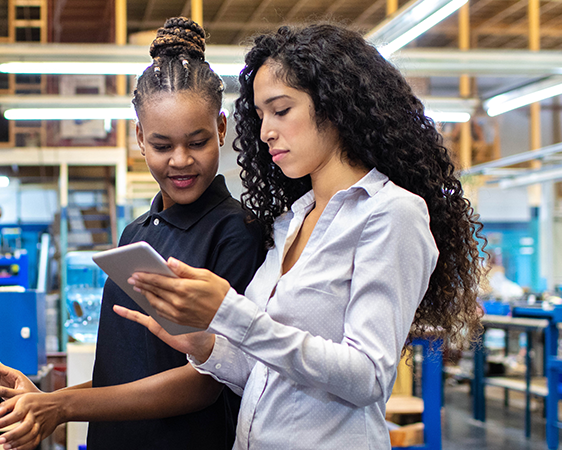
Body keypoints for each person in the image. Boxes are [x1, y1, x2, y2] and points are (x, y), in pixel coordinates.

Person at [116, 24, 486, 449]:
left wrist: (232, 312)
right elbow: (265, 374)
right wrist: (204, 345)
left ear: (333, 105)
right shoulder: (291, 221)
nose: (264, 131)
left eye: (281, 110)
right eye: (259, 115)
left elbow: (368, 376)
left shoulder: (390, 214)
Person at [0, 17, 266, 450]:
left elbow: (206, 381)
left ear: (221, 129)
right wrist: (45, 400)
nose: (180, 160)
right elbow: (122, 377)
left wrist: (62, 409)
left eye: (197, 142)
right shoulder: (135, 235)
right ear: (140, 138)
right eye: (162, 146)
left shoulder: (236, 232)